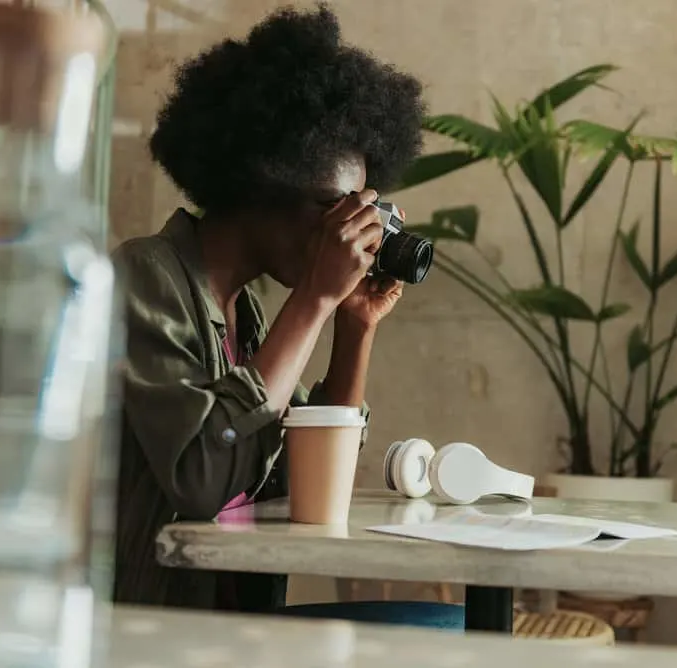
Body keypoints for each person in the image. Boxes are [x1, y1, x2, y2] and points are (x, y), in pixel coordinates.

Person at [111, 4, 462, 630]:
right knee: (442, 636)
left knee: (450, 626)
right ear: (257, 188)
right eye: (334, 209)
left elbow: (309, 487)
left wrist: (352, 327)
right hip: (159, 631)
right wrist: (314, 302)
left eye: (360, 211)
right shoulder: (145, 277)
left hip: (237, 623)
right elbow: (201, 480)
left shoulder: (244, 314)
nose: (347, 235)